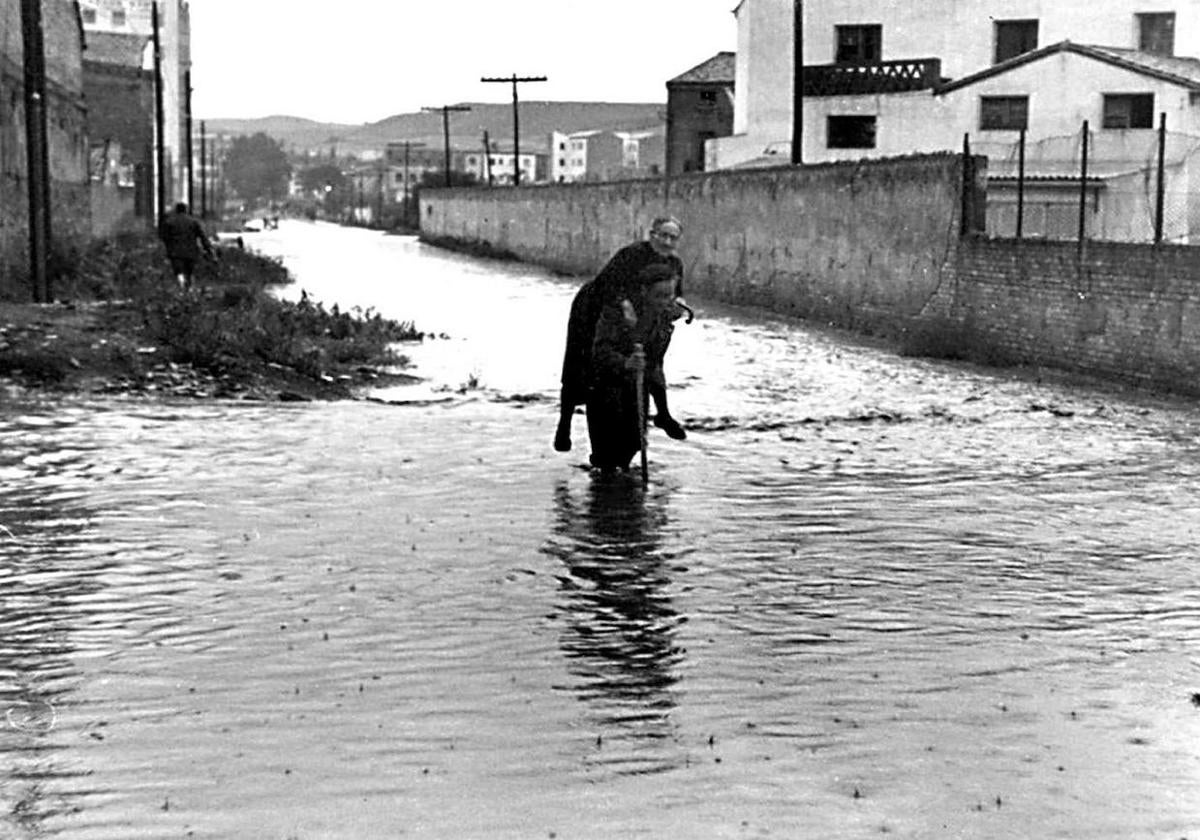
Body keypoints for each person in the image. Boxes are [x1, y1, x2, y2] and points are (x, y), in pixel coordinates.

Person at [555, 215, 688, 453]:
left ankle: (662, 414)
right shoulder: (631, 255)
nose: (667, 242)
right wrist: (625, 308)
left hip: (645, 314)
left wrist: (679, 307)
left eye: (673, 238)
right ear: (652, 235)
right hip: (596, 308)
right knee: (580, 364)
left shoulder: (675, 264)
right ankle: (564, 425)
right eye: (663, 235)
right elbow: (606, 285)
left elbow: (676, 294)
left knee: (651, 360)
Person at [584, 264, 680, 473]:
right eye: (660, 296)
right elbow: (601, 351)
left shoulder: (663, 318)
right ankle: (604, 497)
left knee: (634, 443)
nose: (666, 302)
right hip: (606, 388)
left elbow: (655, 362)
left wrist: (662, 408)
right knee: (606, 456)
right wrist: (626, 362)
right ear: (644, 292)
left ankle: (628, 499)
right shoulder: (617, 312)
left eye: (670, 295)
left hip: (637, 387)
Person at [158, 202, 216, 289]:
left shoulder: (169, 222)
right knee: (189, 271)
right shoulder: (193, 222)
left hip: (175, 252)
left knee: (178, 271)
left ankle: (181, 284)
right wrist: (208, 249)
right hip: (191, 251)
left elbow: (164, 237)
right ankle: (189, 288)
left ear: (176, 210)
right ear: (186, 210)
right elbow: (202, 237)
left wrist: (168, 247)